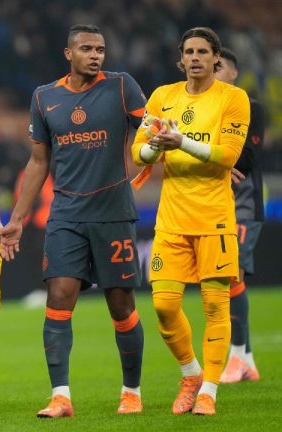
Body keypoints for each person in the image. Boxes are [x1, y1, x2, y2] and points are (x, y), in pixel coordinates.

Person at [0, 24, 147, 417]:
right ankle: (61, 396)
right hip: (66, 214)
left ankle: (131, 391)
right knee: (59, 296)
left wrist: (153, 151)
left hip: (113, 213)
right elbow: (37, 162)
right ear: (69, 54)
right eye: (86, 48)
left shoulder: (121, 86)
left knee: (121, 304)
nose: (96, 55)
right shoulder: (45, 97)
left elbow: (149, 131)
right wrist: (17, 219)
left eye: (100, 48)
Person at [131, 27, 250, 416]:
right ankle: (191, 373)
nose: (195, 57)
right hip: (171, 220)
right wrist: (156, 144)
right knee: (164, 306)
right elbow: (139, 154)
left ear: (217, 58)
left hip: (214, 219)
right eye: (189, 52)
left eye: (203, 51)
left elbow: (227, 156)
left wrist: (181, 142)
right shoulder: (163, 97)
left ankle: (209, 391)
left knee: (216, 307)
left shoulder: (233, 98)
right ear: (180, 59)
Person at [214, 49, 264, 384]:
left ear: (234, 74)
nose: (212, 71)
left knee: (233, 273)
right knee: (222, 278)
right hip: (214, 204)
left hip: (244, 204)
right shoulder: (203, 108)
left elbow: (246, 156)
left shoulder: (250, 107)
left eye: (219, 67)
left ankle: (238, 355)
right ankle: (244, 360)